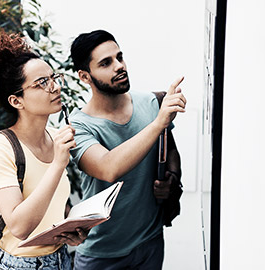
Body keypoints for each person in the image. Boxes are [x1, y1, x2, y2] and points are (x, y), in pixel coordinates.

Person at [69, 29, 187, 269]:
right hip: (101, 254)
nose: (119, 66)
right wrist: (158, 122)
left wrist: (171, 179)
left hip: (150, 243)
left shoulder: (151, 104)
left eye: (119, 57)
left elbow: (170, 151)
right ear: (85, 76)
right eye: (106, 63)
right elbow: (108, 168)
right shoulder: (79, 126)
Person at [0, 31, 87, 270]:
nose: (54, 87)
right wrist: (57, 164)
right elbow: (19, 227)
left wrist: (72, 229)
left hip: (62, 259)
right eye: (42, 83)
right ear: (16, 101)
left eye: (53, 78)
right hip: (20, 265)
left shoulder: (56, 136)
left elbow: (52, 205)